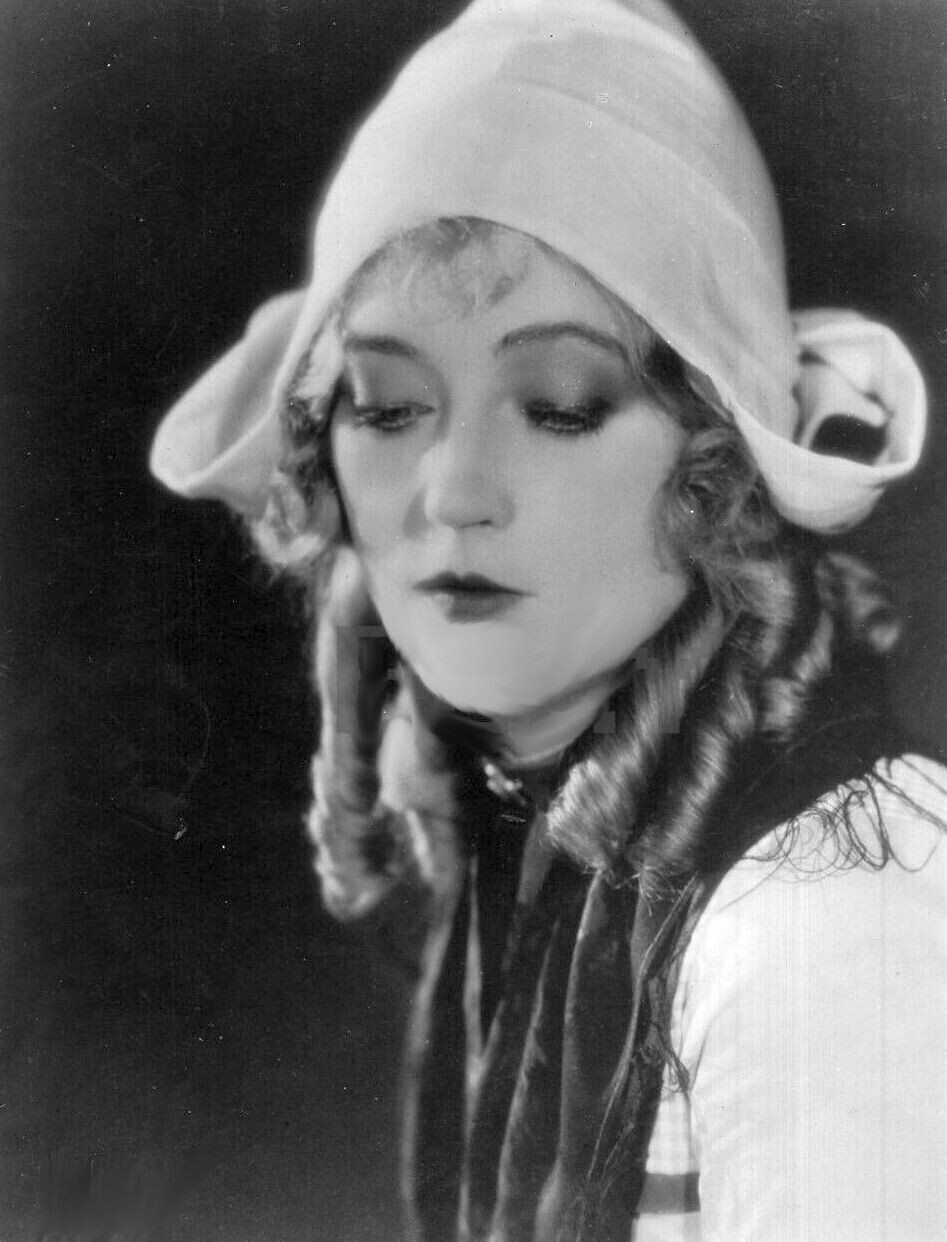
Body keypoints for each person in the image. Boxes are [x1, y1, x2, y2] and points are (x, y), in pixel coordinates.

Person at [148, 0, 947, 1238]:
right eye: (386, 406)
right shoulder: (537, 836)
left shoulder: (824, 912)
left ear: (713, 470)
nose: (453, 492)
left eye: (560, 404)